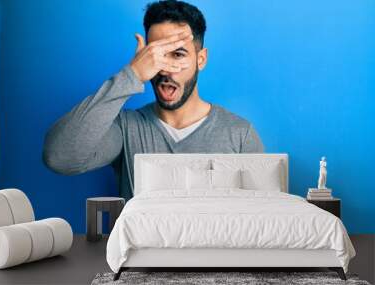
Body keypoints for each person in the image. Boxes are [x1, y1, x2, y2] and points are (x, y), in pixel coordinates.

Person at [42, 0, 265, 201]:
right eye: (156, 55)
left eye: (177, 54)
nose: (165, 69)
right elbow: (59, 157)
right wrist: (132, 74)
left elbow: (264, 219)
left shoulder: (239, 134)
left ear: (201, 59)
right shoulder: (126, 128)